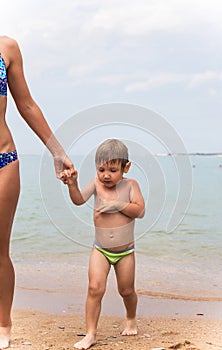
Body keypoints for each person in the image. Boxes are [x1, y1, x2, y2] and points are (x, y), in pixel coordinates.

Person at [0, 35, 74, 349]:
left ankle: (3, 325)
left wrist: (57, 152)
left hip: (2, 159)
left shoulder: (7, 48)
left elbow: (26, 104)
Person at [61, 138, 145, 350]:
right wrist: (72, 185)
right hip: (100, 250)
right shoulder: (97, 184)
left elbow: (140, 211)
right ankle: (90, 334)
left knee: (126, 291)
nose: (106, 175)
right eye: (101, 169)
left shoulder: (131, 186)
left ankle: (131, 317)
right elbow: (79, 200)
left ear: (126, 168)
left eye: (113, 170)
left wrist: (116, 205)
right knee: (94, 288)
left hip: (125, 252)